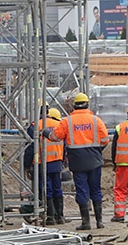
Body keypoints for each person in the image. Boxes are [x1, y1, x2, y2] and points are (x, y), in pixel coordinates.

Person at [43, 93, 109, 230]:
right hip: (94, 159)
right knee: (95, 189)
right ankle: (99, 221)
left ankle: (86, 222)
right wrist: (96, 149)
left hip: (77, 161)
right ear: (87, 104)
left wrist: (45, 133)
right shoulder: (96, 120)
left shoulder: (67, 121)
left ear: (74, 106)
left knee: (82, 190)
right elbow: (105, 140)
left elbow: (55, 136)